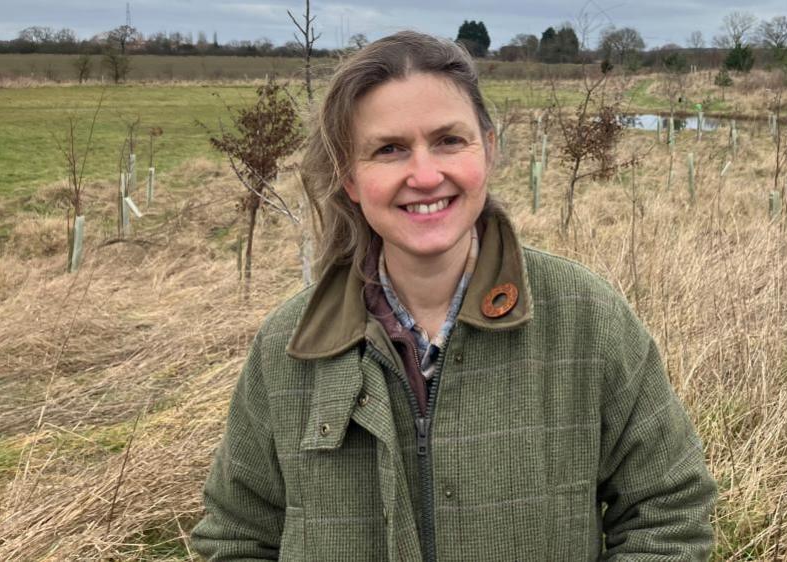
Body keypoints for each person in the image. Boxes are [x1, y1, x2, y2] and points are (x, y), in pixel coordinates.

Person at [191, 31, 717, 561]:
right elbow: (236, 536)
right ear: (350, 177)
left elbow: (668, 513)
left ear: (487, 149)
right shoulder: (289, 346)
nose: (424, 175)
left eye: (448, 141)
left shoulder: (585, 318)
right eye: (389, 149)